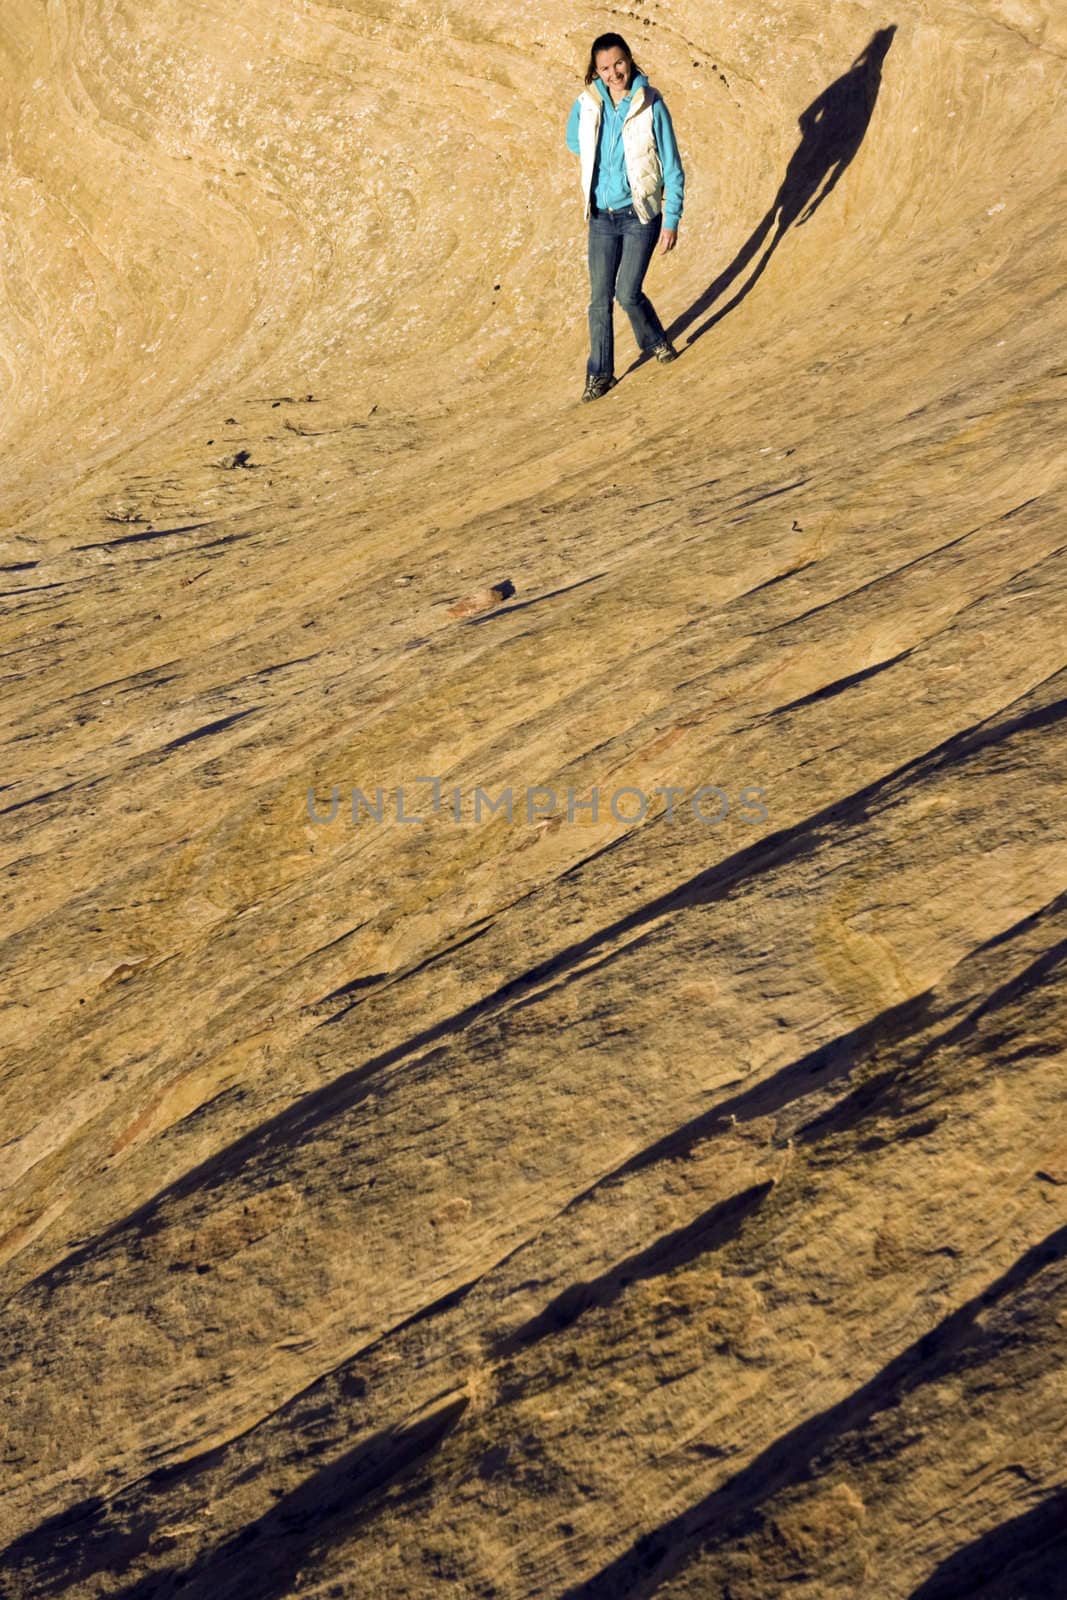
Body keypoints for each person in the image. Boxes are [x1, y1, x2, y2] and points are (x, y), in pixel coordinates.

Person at [565, 32, 686, 402]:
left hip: (639, 215)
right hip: (602, 216)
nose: (614, 73)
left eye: (618, 63)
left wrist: (671, 218)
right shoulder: (586, 104)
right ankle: (600, 375)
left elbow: (673, 166)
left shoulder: (651, 104)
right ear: (595, 71)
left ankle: (654, 340)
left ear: (629, 60)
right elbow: (575, 140)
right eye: (604, 67)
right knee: (599, 299)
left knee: (627, 292)